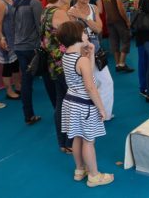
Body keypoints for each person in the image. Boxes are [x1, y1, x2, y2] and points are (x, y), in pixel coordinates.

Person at [56, 21, 113, 187]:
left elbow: (83, 71)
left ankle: (79, 170)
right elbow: (90, 87)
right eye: (84, 32)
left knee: (77, 138)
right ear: (77, 37)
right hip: (84, 105)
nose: (86, 34)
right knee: (89, 140)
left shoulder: (67, 56)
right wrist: (101, 108)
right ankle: (94, 175)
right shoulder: (81, 60)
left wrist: (91, 53)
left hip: (71, 103)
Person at [69, 0, 115, 120]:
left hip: (97, 52)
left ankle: (105, 114)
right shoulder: (71, 12)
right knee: (87, 87)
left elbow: (99, 29)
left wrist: (83, 17)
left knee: (107, 82)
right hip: (82, 56)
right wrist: (89, 22)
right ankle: (89, 116)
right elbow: (75, 35)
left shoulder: (94, 8)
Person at [41, 0, 74, 153]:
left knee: (61, 103)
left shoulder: (46, 11)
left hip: (54, 64)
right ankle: (70, 141)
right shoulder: (60, 14)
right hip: (65, 64)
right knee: (71, 102)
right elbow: (73, 37)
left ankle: (63, 141)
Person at [13, 0, 43, 125]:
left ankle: (28, 115)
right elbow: (41, 27)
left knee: (26, 81)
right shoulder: (34, 3)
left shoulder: (14, 3)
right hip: (32, 48)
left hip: (19, 47)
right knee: (50, 79)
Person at [101, 0, 134, 73]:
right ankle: (122, 63)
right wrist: (127, 20)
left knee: (114, 41)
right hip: (118, 19)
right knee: (126, 39)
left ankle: (117, 64)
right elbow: (120, 7)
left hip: (109, 19)